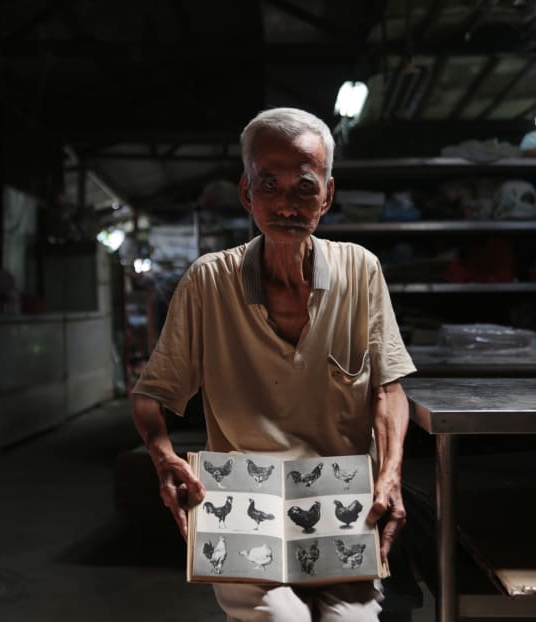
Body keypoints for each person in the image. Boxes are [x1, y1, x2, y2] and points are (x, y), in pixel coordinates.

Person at [131, 107, 416, 621]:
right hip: (243, 501)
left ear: (327, 195)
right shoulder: (207, 282)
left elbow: (388, 386)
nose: (286, 204)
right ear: (247, 193)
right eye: (270, 186)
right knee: (279, 619)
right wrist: (163, 458)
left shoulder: (361, 269)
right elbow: (151, 395)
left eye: (305, 187)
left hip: (341, 500)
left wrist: (390, 473)